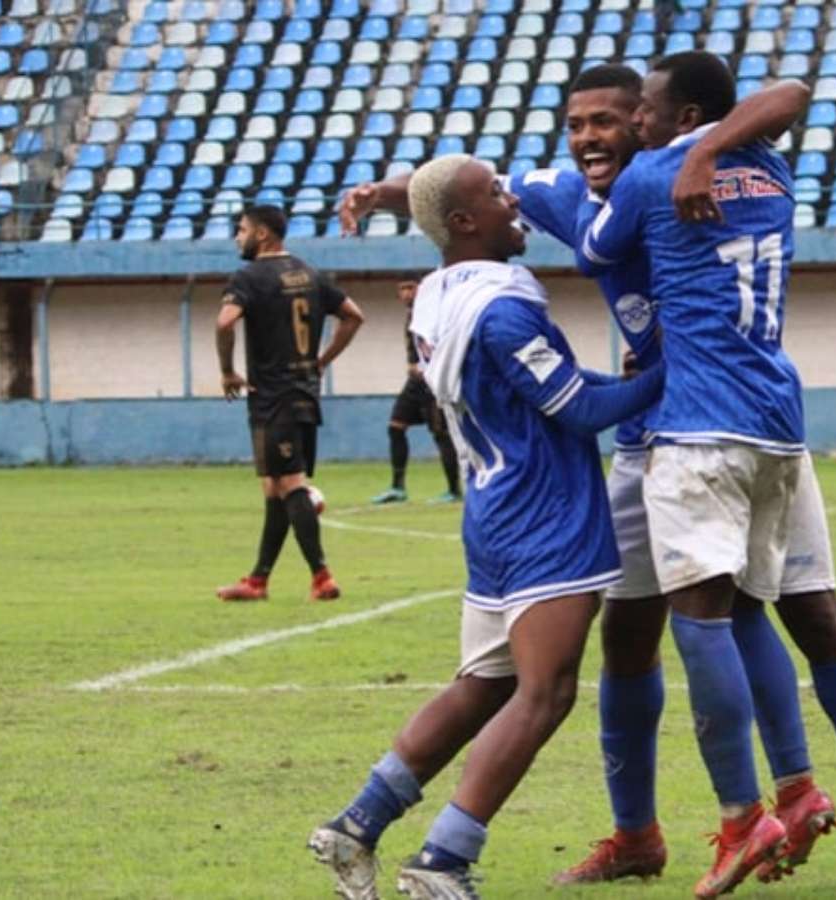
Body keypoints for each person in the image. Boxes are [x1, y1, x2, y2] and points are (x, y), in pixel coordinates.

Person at [337, 71, 836, 892]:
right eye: (576, 124)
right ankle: (514, 849)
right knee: (589, 667)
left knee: (771, 617)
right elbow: (478, 203)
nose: (589, 137)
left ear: (652, 126)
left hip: (680, 442)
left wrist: (396, 195)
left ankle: (810, 804)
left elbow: (789, 92)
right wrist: (403, 195)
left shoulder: (670, 179)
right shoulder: (539, 245)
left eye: (612, 119)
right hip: (606, 474)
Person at [577, 52, 836, 898]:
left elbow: (595, 242)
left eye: (639, 114)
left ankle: (746, 817)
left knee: (699, 622)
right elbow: (792, 93)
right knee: (818, 622)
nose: (626, 129)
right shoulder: (770, 164)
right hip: (781, 428)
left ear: (680, 113)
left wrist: (675, 160)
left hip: (697, 434)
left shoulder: (649, 178)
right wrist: (709, 149)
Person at [306, 155, 665, 900]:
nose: (514, 205)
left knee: (482, 687)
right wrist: (670, 372)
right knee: (547, 692)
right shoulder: (503, 309)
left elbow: (549, 391)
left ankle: (355, 825)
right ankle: (443, 860)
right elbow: (579, 411)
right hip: (545, 516)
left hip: (493, 509)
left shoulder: (440, 294)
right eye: (499, 196)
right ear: (466, 223)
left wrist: (627, 382)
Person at [215, 205, 365, 602]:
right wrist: (322, 361)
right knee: (274, 485)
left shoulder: (250, 277)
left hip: (272, 396)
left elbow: (225, 322)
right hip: (304, 391)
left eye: (241, 229)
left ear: (262, 234)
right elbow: (353, 316)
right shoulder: (311, 273)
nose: (237, 236)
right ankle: (258, 580)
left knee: (290, 483)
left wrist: (228, 372)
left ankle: (322, 576)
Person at [370, 277, 463, 505]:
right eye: (401, 289)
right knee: (396, 427)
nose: (406, 293)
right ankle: (398, 487)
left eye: (410, 288)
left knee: (441, 434)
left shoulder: (431, 313)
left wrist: (430, 367)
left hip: (431, 382)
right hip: (414, 383)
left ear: (421, 288)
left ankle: (454, 490)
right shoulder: (412, 314)